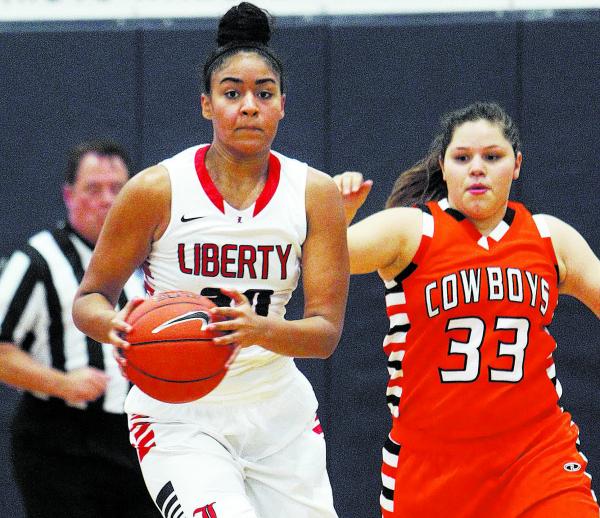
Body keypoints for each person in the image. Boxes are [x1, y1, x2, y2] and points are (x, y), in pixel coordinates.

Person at [72, 4, 349, 518]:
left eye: (264, 93)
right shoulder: (156, 189)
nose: (249, 106)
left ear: (282, 105)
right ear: (206, 104)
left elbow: (325, 333)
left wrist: (257, 329)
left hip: (278, 415)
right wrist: (122, 326)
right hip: (180, 415)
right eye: (232, 93)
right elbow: (89, 299)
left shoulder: (314, 193)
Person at [334, 101, 600, 517]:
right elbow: (324, 262)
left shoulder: (550, 238)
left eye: (492, 157)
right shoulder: (411, 230)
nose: (477, 168)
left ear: (516, 165)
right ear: (443, 166)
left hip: (535, 454)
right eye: (463, 158)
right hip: (432, 464)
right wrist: (338, 215)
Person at [0, 140, 161, 517]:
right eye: (93, 189)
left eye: (117, 189)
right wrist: (63, 383)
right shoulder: (37, 260)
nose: (107, 200)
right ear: (69, 196)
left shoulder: (151, 262)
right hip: (61, 442)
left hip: (137, 440)